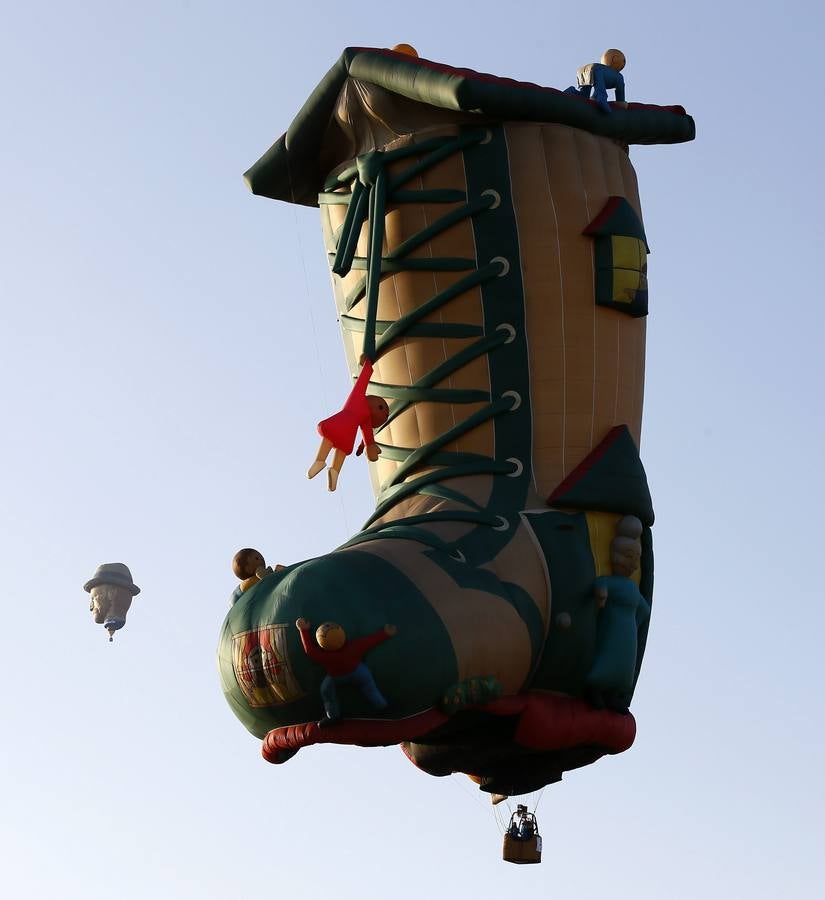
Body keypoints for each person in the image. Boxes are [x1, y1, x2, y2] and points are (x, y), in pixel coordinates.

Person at [295, 618, 397, 725]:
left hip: (336, 677)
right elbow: (371, 641)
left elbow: (309, 650)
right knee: (370, 687)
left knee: (326, 691)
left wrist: (303, 630)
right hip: (358, 672)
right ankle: (383, 707)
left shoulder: (322, 656)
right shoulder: (354, 647)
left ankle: (333, 716)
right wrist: (386, 633)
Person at [307, 360, 389, 491]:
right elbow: (368, 437)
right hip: (349, 429)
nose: (384, 412)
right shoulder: (360, 400)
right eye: (381, 408)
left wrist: (367, 365)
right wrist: (367, 365)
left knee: (330, 437)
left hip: (343, 421)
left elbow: (368, 437)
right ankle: (333, 470)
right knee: (341, 448)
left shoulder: (361, 403)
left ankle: (321, 462)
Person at [565, 49, 627, 114]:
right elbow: (620, 99)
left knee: (583, 96)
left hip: (583, 70)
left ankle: (571, 90)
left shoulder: (604, 69)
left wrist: (593, 97)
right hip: (595, 70)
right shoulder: (619, 77)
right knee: (600, 94)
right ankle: (602, 102)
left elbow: (598, 83)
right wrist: (622, 104)